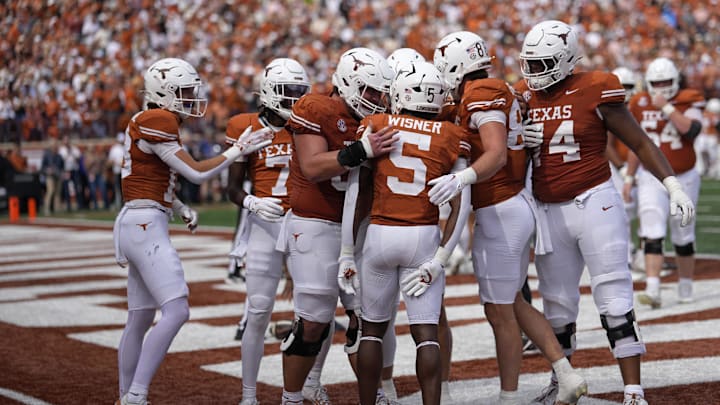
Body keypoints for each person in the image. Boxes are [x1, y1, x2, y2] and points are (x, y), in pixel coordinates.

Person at [514, 21, 695, 405]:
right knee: (558, 306)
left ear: (565, 60)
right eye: (529, 64)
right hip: (548, 210)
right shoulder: (524, 98)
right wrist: (518, 141)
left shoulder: (596, 86)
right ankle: (561, 381)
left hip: (596, 201)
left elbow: (640, 142)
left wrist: (672, 184)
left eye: (542, 63)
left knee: (614, 298)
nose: (532, 73)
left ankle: (633, 390)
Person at [430, 30, 587, 405]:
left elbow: (497, 152)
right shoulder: (490, 91)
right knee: (510, 302)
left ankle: (509, 396)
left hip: (501, 206)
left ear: (454, 67)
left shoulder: (482, 93)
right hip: (510, 205)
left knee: (500, 311)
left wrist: (463, 177)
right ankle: (565, 374)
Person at [113, 57, 272, 405]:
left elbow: (144, 180)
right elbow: (197, 173)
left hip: (138, 219)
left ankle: (125, 395)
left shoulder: (147, 120)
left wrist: (179, 207)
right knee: (177, 310)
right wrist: (237, 151)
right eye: (183, 92)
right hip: (144, 225)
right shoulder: (159, 118)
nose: (190, 98)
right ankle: (136, 395)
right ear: (163, 93)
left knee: (139, 318)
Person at [340, 60, 472, 405]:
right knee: (427, 334)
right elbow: (462, 204)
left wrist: (345, 251)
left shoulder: (378, 124)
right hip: (423, 237)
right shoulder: (450, 135)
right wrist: (442, 258)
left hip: (381, 233)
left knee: (372, 331)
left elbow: (357, 191)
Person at [277, 47, 397, 405]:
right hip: (315, 225)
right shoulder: (316, 108)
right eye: (370, 91)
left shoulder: (378, 120)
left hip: (357, 230)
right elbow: (313, 166)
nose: (376, 100)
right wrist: (360, 151)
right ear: (346, 82)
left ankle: (373, 394)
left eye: (381, 93)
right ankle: (292, 397)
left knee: (367, 319)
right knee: (312, 322)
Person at [224, 57, 311, 405]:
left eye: (300, 92)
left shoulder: (306, 126)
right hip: (263, 224)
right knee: (258, 311)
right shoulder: (243, 124)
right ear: (271, 93)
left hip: (304, 226)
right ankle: (248, 396)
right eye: (289, 93)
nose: (296, 100)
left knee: (313, 313)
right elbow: (231, 187)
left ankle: (309, 386)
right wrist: (251, 203)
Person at [624, 57, 705, 308]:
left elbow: (690, 130)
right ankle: (653, 288)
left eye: (666, 82)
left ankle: (685, 284)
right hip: (651, 176)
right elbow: (637, 143)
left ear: (675, 81)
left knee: (683, 234)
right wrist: (628, 176)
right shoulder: (639, 102)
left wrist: (667, 108)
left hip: (685, 176)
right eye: (656, 82)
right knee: (652, 231)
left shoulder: (689, 97)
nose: (660, 86)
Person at [607, 67, 640, 269]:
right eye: (621, 87)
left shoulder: (639, 107)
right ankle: (626, 256)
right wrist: (621, 168)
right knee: (623, 211)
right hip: (618, 166)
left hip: (641, 166)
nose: (625, 91)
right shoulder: (609, 108)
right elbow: (606, 144)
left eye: (628, 87)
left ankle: (643, 252)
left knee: (645, 212)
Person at [41, 139, 64, 216]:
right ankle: (46, 208)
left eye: (56, 146)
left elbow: (62, 166)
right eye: (54, 146)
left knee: (58, 192)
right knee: (50, 191)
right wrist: (47, 170)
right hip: (50, 176)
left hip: (58, 176)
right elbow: (42, 168)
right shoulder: (47, 156)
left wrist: (62, 173)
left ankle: (57, 208)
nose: (55, 147)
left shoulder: (59, 156)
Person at [698, 98, 720, 178]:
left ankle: (711, 171)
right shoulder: (705, 114)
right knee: (703, 154)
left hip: (710, 137)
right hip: (704, 137)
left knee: (712, 156)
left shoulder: (708, 115)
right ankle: (704, 170)